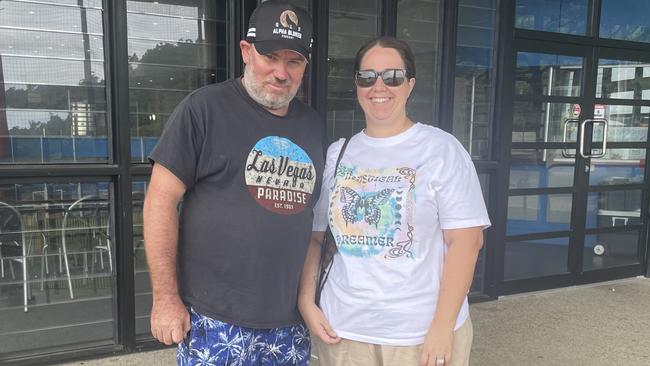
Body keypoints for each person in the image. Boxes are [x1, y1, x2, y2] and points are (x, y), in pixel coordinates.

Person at [143, 1, 324, 365]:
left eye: (294, 61)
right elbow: (160, 201)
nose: (281, 72)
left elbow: (313, 225)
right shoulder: (203, 110)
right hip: (214, 321)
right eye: (270, 56)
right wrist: (165, 298)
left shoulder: (313, 125)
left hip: (288, 324)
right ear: (246, 51)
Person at [298, 36, 491, 366]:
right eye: (367, 76)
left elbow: (467, 240)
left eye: (393, 76)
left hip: (419, 334)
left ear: (410, 84)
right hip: (345, 329)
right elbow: (317, 239)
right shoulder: (338, 154)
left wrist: (442, 326)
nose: (379, 86)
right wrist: (306, 302)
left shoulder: (441, 149)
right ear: (357, 84)